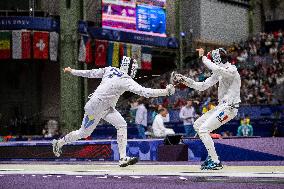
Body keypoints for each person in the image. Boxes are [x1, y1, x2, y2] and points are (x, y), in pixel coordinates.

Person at [52, 56, 175, 167]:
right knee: (83, 133)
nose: (135, 71)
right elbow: (146, 92)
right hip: (95, 107)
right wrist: (165, 92)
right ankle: (59, 143)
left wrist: (72, 71)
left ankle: (122, 158)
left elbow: (90, 73)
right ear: (129, 67)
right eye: (134, 68)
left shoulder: (110, 69)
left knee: (122, 125)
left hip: (104, 107)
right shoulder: (125, 79)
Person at [173, 48, 241, 170]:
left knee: (204, 130)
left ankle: (215, 161)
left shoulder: (232, 70)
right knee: (198, 125)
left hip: (230, 108)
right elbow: (202, 86)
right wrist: (184, 80)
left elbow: (217, 68)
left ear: (216, 60)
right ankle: (212, 156)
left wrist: (203, 57)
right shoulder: (219, 73)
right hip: (222, 106)